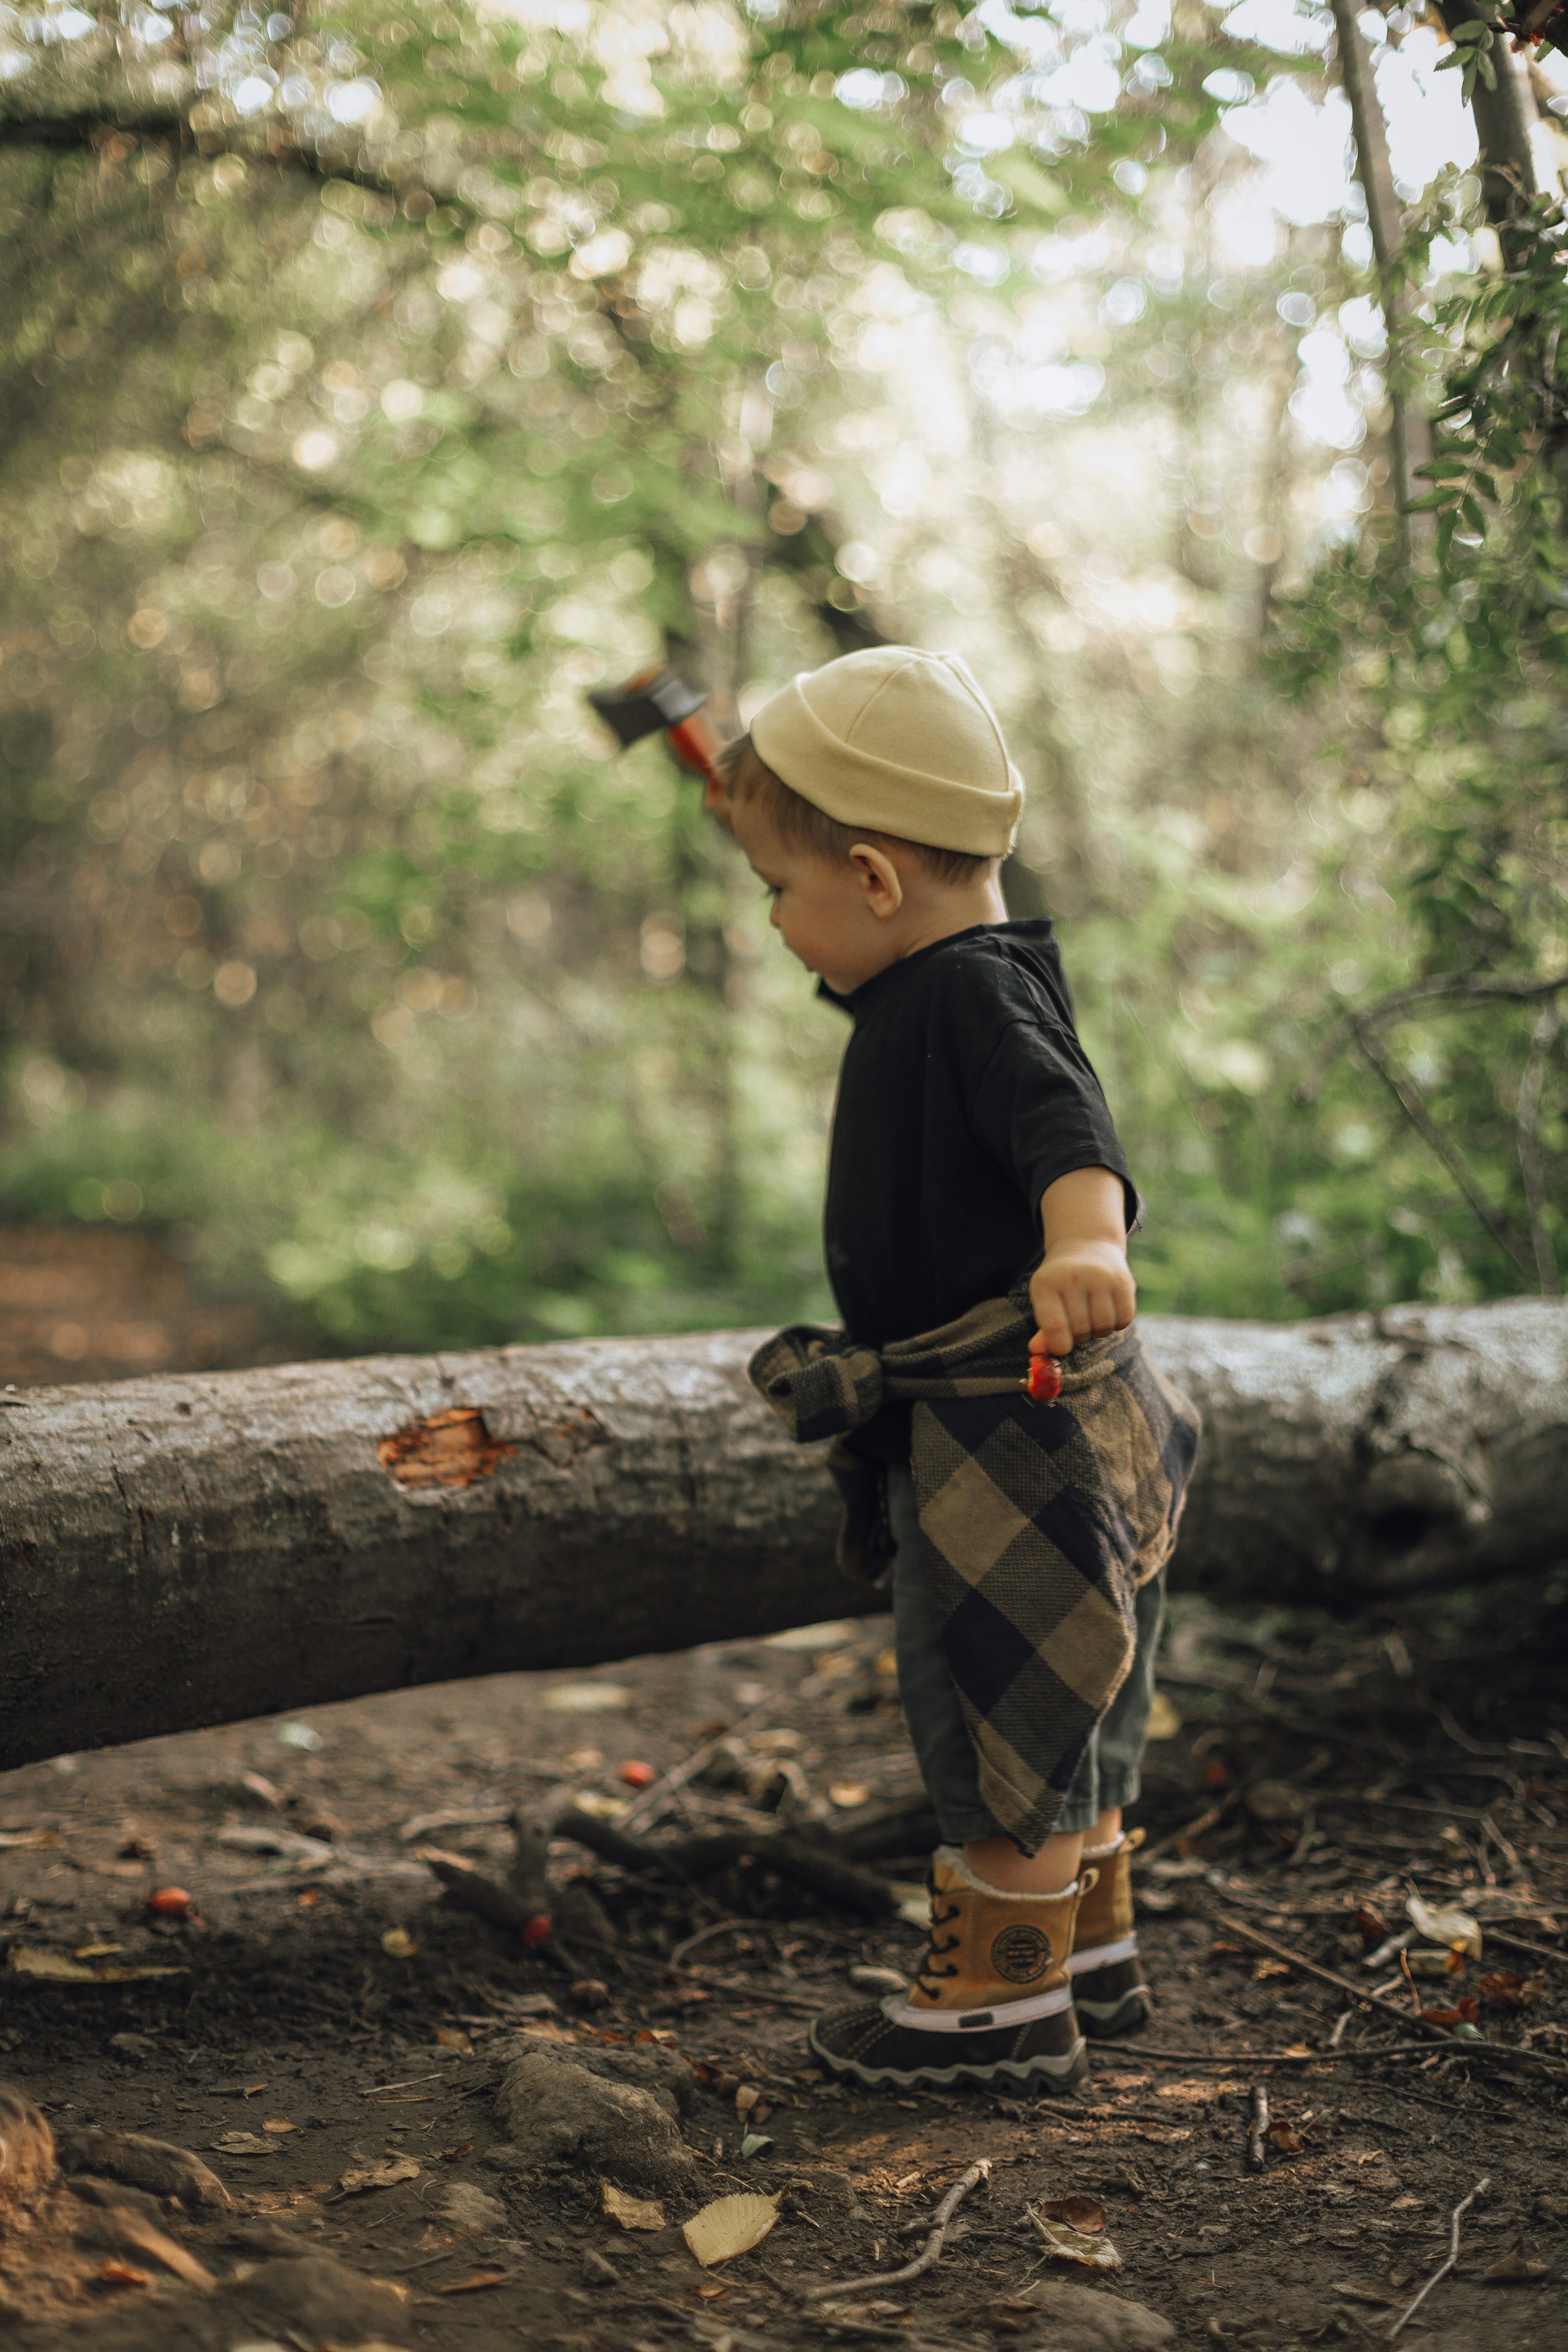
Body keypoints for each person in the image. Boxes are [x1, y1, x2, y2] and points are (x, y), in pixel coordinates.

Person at [706, 645, 1200, 2095]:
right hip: (1003, 1423)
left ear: (871, 880)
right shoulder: (939, 968)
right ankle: (1087, 1947)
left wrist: (1083, 1238)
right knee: (1082, 1692)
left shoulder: (978, 999)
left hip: (1011, 1430)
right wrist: (752, 807)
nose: (773, 922)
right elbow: (844, 900)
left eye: (777, 894)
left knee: (1005, 1693)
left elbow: (1067, 1124)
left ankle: (994, 2003)